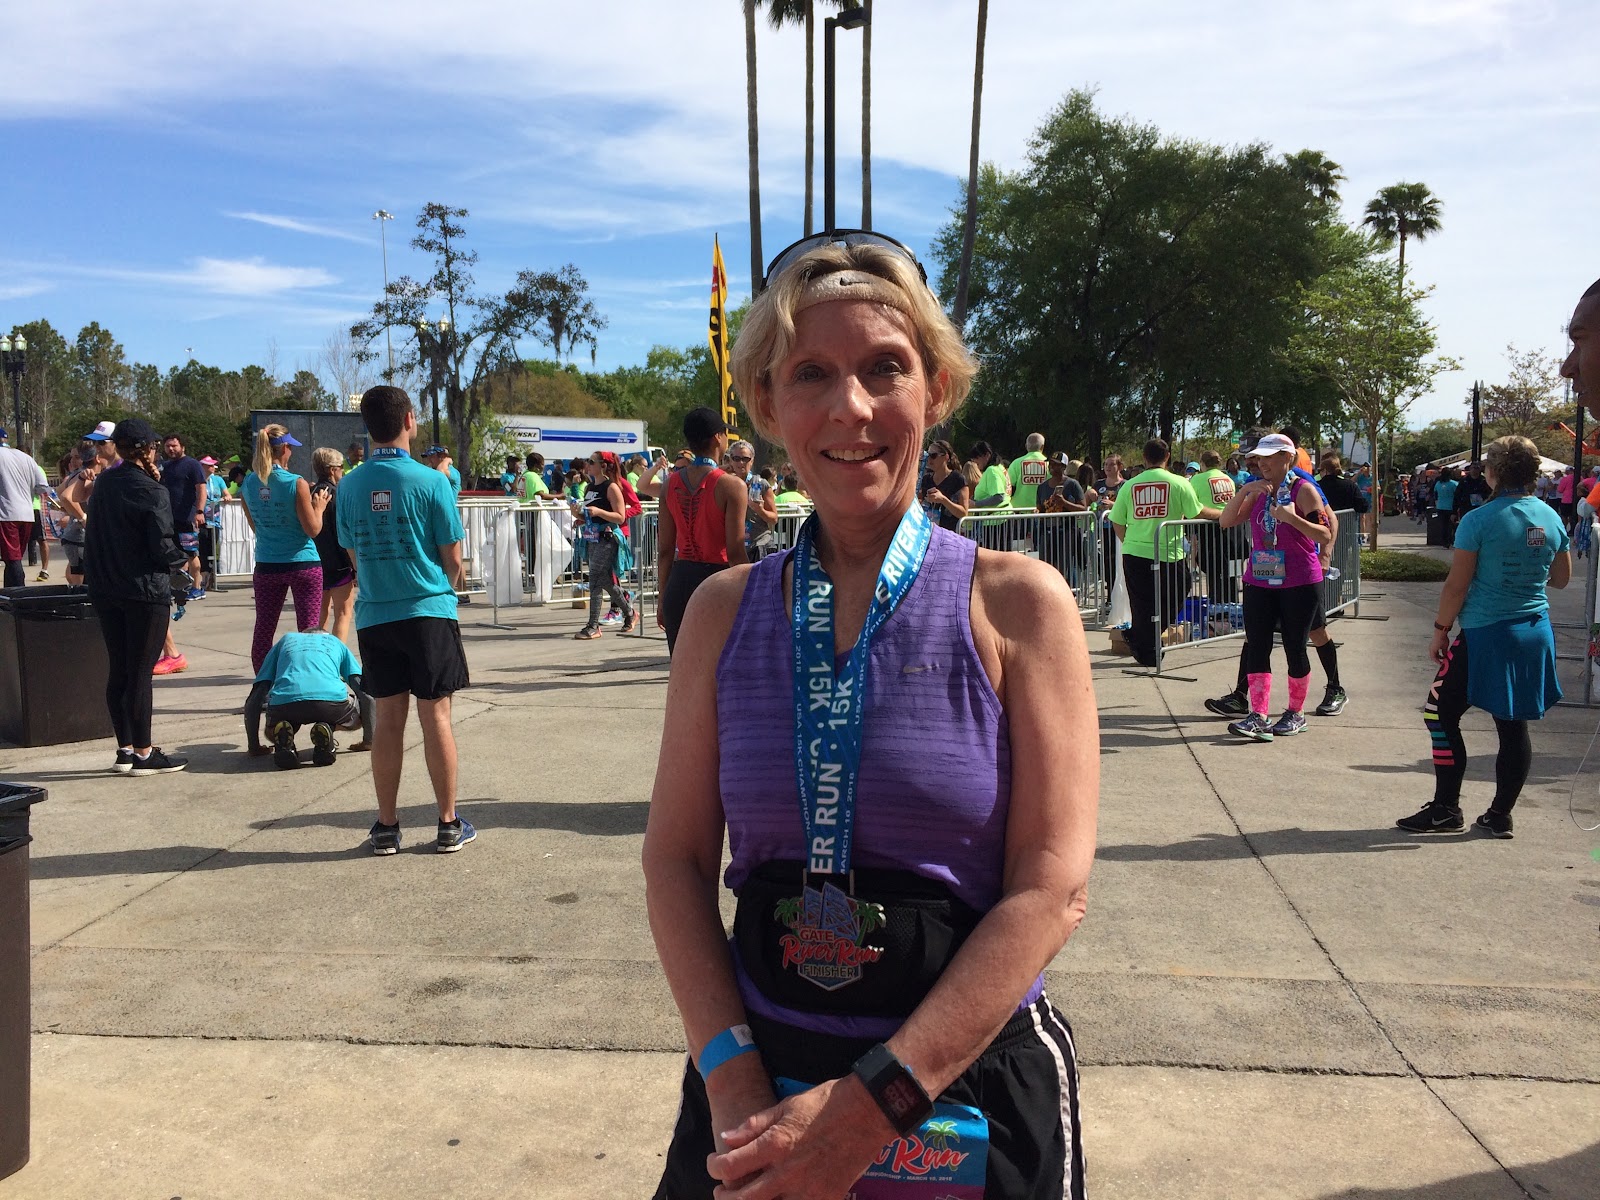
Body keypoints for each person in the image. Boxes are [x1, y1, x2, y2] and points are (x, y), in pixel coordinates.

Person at [644, 233, 1095, 1200]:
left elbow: (1051, 889)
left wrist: (863, 1114)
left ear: (936, 390)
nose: (851, 408)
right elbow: (676, 860)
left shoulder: (1018, 604)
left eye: (885, 368)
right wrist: (730, 1081)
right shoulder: (722, 614)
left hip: (964, 1090)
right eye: (811, 373)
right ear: (767, 404)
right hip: (756, 1088)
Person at [1397, 436, 1568, 837]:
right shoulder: (1549, 516)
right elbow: (1560, 580)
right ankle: (1499, 815)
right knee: (1513, 726)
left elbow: (1457, 585)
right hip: (1534, 631)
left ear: (1491, 473)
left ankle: (1445, 808)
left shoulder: (1479, 520)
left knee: (1438, 715)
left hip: (1485, 632)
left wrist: (1440, 631)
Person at [337, 386, 474, 855]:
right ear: (410, 421)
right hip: (428, 610)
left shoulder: (349, 485)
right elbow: (452, 557)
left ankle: (387, 826)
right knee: (436, 715)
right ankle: (448, 823)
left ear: (368, 429)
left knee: (388, 720)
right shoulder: (432, 481)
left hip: (376, 614)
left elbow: (352, 552)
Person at [82, 418, 191, 775]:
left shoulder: (105, 484)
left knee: (120, 669)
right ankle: (144, 753)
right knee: (141, 672)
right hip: (144, 590)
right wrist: (184, 560)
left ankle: (125, 750)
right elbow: (161, 545)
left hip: (106, 587)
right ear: (146, 449)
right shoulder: (151, 490)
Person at [1216, 433, 1332, 741]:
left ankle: (1295, 713)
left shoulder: (1303, 490)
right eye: (1260, 458)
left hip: (1299, 581)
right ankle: (1259, 715)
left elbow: (1324, 533)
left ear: (1287, 458)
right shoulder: (1258, 490)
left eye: (1270, 457)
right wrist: (1244, 491)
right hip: (1259, 579)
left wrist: (1292, 520)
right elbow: (1226, 521)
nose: (1263, 463)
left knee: (1295, 646)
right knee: (1257, 645)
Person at [1110, 437, 1218, 667]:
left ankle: (1140, 639)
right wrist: (1222, 514)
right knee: (1174, 595)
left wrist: (1128, 541)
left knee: (1143, 603)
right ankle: (1147, 649)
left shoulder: (1130, 485)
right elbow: (1196, 512)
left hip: (1137, 552)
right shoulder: (1179, 483)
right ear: (1167, 456)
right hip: (1167, 553)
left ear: (1144, 458)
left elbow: (1117, 521)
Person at [656, 406, 747, 653]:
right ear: (718, 437)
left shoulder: (669, 485)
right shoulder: (732, 486)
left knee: (682, 674)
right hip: (717, 583)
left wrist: (662, 598)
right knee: (720, 675)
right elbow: (736, 550)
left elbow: (664, 550)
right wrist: (752, 595)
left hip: (679, 581)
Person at [241, 425, 328, 674]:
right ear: (285, 449)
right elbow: (313, 529)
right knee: (309, 630)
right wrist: (318, 506)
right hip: (303, 562)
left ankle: (263, 686)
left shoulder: (248, 482)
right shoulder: (296, 482)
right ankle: (309, 681)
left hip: (267, 562)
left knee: (264, 629)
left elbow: (255, 526)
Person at [245, 629, 374, 769]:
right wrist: (369, 740)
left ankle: (283, 737)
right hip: (331, 705)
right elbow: (366, 694)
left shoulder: (285, 640)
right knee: (355, 706)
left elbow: (255, 698)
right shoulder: (335, 642)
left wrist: (254, 747)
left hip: (285, 705)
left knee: (274, 728)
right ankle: (328, 728)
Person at [570, 452, 637, 639]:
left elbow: (621, 516)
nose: (588, 465)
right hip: (592, 537)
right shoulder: (590, 487)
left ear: (604, 466)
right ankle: (629, 612)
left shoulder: (612, 487)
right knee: (604, 581)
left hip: (608, 538)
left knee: (595, 579)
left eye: (592, 462)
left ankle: (593, 626)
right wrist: (579, 516)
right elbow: (590, 516)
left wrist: (599, 510)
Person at [57, 424, 117, 585]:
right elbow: (65, 496)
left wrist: (71, 514)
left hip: (79, 537)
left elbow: (60, 493)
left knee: (78, 578)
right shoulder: (83, 476)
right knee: (82, 584)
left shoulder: (100, 475)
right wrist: (82, 517)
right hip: (80, 537)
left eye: (101, 443)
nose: (99, 448)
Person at [310, 448, 356, 645]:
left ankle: (314, 657)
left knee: (317, 618)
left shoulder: (310, 493)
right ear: (331, 470)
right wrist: (353, 564)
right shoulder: (338, 495)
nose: (342, 472)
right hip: (338, 562)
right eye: (340, 468)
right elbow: (344, 531)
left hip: (314, 560)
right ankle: (336, 663)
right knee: (343, 613)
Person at [159, 432, 208, 601]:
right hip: (168, 520)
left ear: (182, 447)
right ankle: (179, 586)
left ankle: (197, 588)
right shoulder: (164, 466)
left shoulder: (192, 465)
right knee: (172, 554)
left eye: (174, 446)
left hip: (187, 518)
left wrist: (200, 511)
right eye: (168, 446)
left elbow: (201, 488)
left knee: (191, 553)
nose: (171, 449)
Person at [0, 429, 51, 588]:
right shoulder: (26, 458)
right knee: (13, 559)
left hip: (7, 514)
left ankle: (18, 595)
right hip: (27, 514)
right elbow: (43, 486)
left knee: (13, 559)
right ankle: (9, 595)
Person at [726, 439, 779, 561]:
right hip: (735, 547)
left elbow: (774, 518)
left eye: (745, 459)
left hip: (759, 545)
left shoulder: (761, 483)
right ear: (730, 460)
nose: (741, 463)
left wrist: (760, 510)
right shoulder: (725, 483)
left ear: (752, 460)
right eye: (736, 458)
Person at [918, 438, 968, 532]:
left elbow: (964, 513)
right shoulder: (926, 479)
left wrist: (943, 500)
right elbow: (919, 501)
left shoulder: (958, 479)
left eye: (933, 455)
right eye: (928, 455)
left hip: (950, 533)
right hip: (928, 532)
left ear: (946, 457)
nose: (929, 459)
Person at [199, 456, 226, 591]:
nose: (212, 468)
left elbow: (227, 494)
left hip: (215, 519)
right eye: (209, 465)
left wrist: (226, 497)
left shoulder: (218, 480)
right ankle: (204, 577)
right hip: (201, 518)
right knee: (202, 547)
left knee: (212, 547)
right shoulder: (198, 480)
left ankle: (211, 576)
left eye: (213, 465)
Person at [1007, 432, 1049, 511]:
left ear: (1026, 446)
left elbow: (1009, 486)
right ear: (1042, 447)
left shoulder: (1016, 463)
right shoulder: (1048, 464)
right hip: (1042, 509)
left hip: (1019, 509)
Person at [967, 440, 1011, 509]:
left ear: (987, 455)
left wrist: (976, 504)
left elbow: (999, 497)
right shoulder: (999, 468)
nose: (974, 461)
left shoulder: (992, 470)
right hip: (1002, 514)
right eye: (972, 459)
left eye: (977, 457)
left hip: (997, 516)